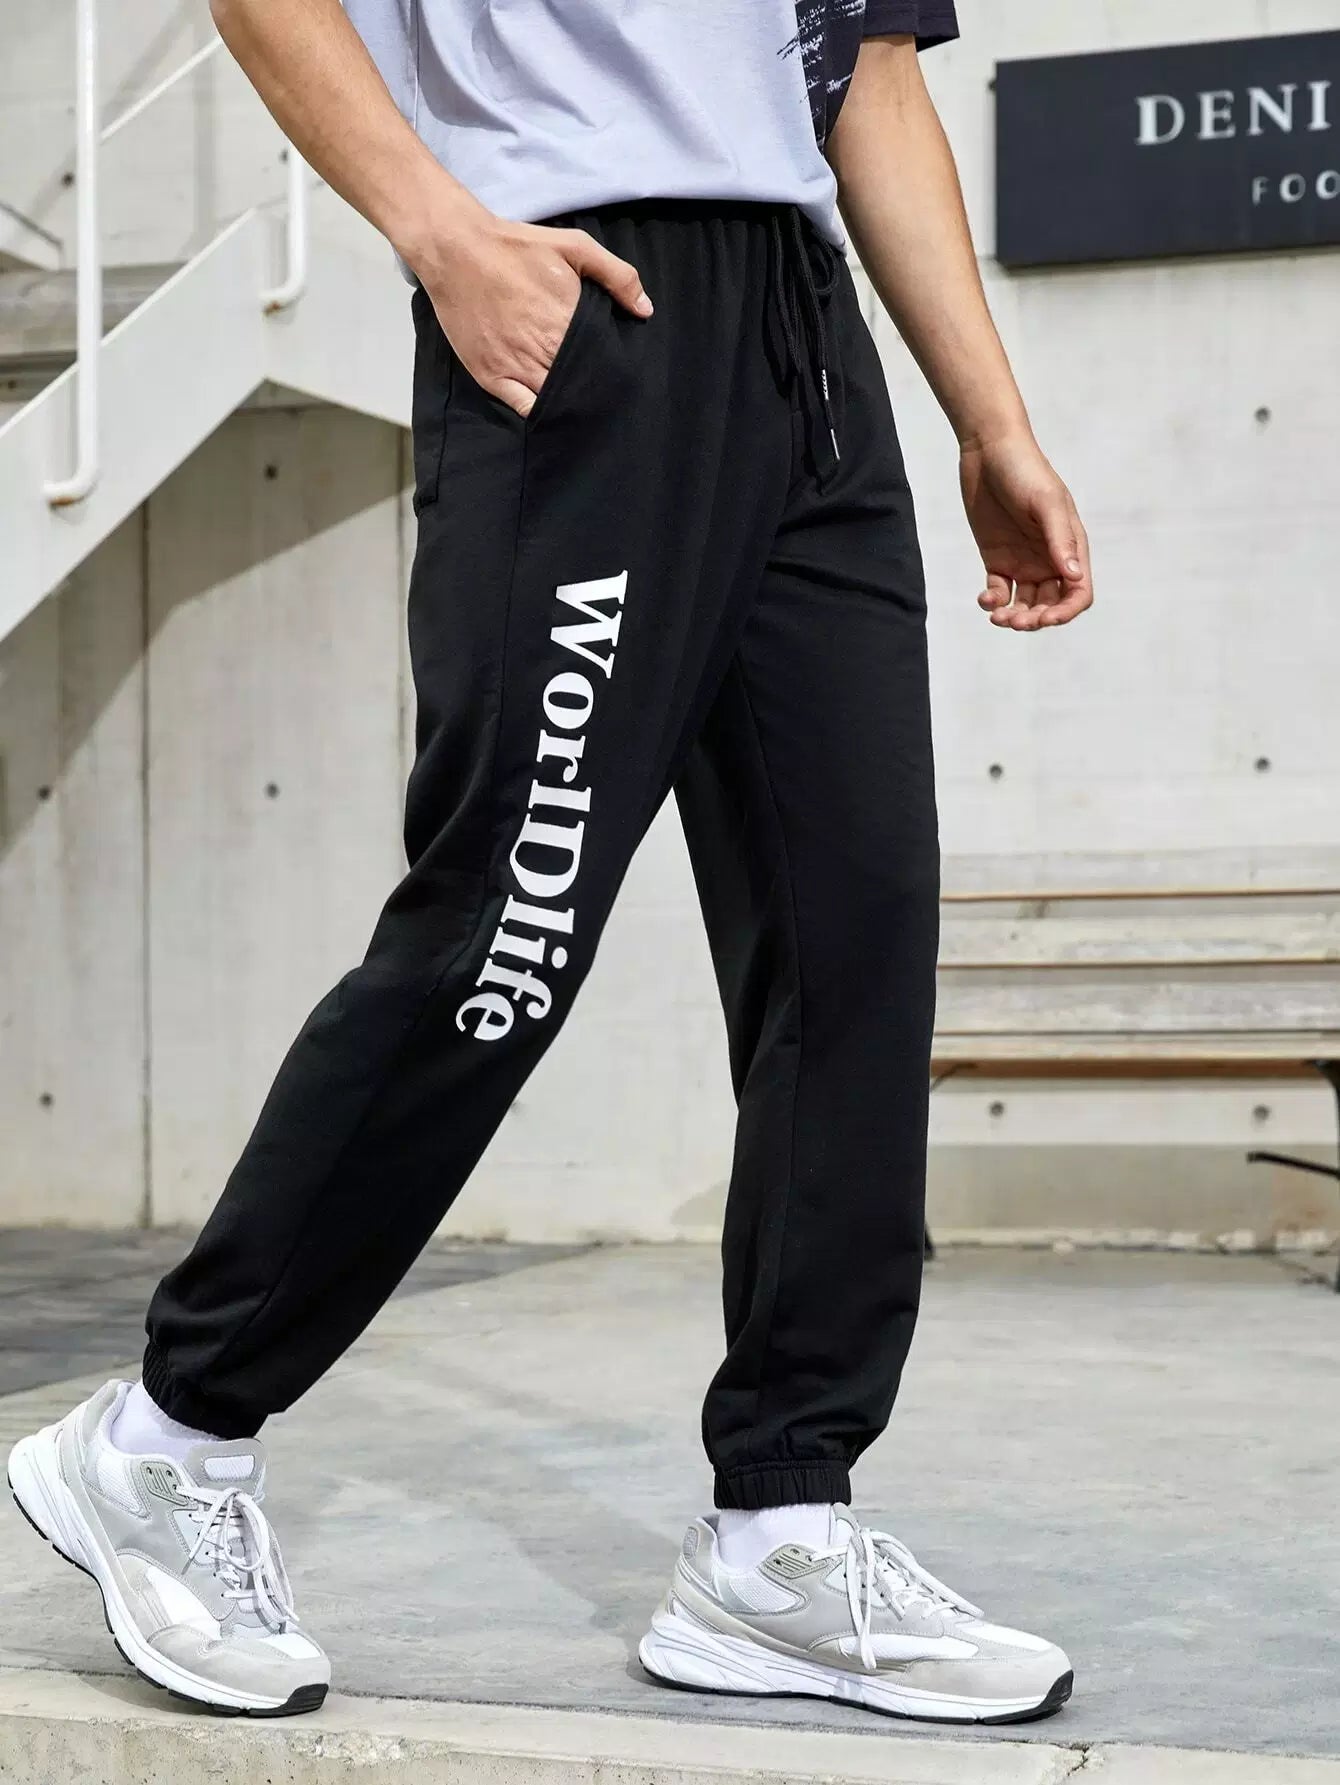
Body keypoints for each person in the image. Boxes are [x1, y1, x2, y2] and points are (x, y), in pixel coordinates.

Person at [8, 0, 1093, 1725]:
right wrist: (443, 235)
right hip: (588, 313)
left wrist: (990, 416)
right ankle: (168, 1437)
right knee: (502, 940)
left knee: (858, 944)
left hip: (811, 349)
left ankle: (782, 1525)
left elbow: (868, 70)